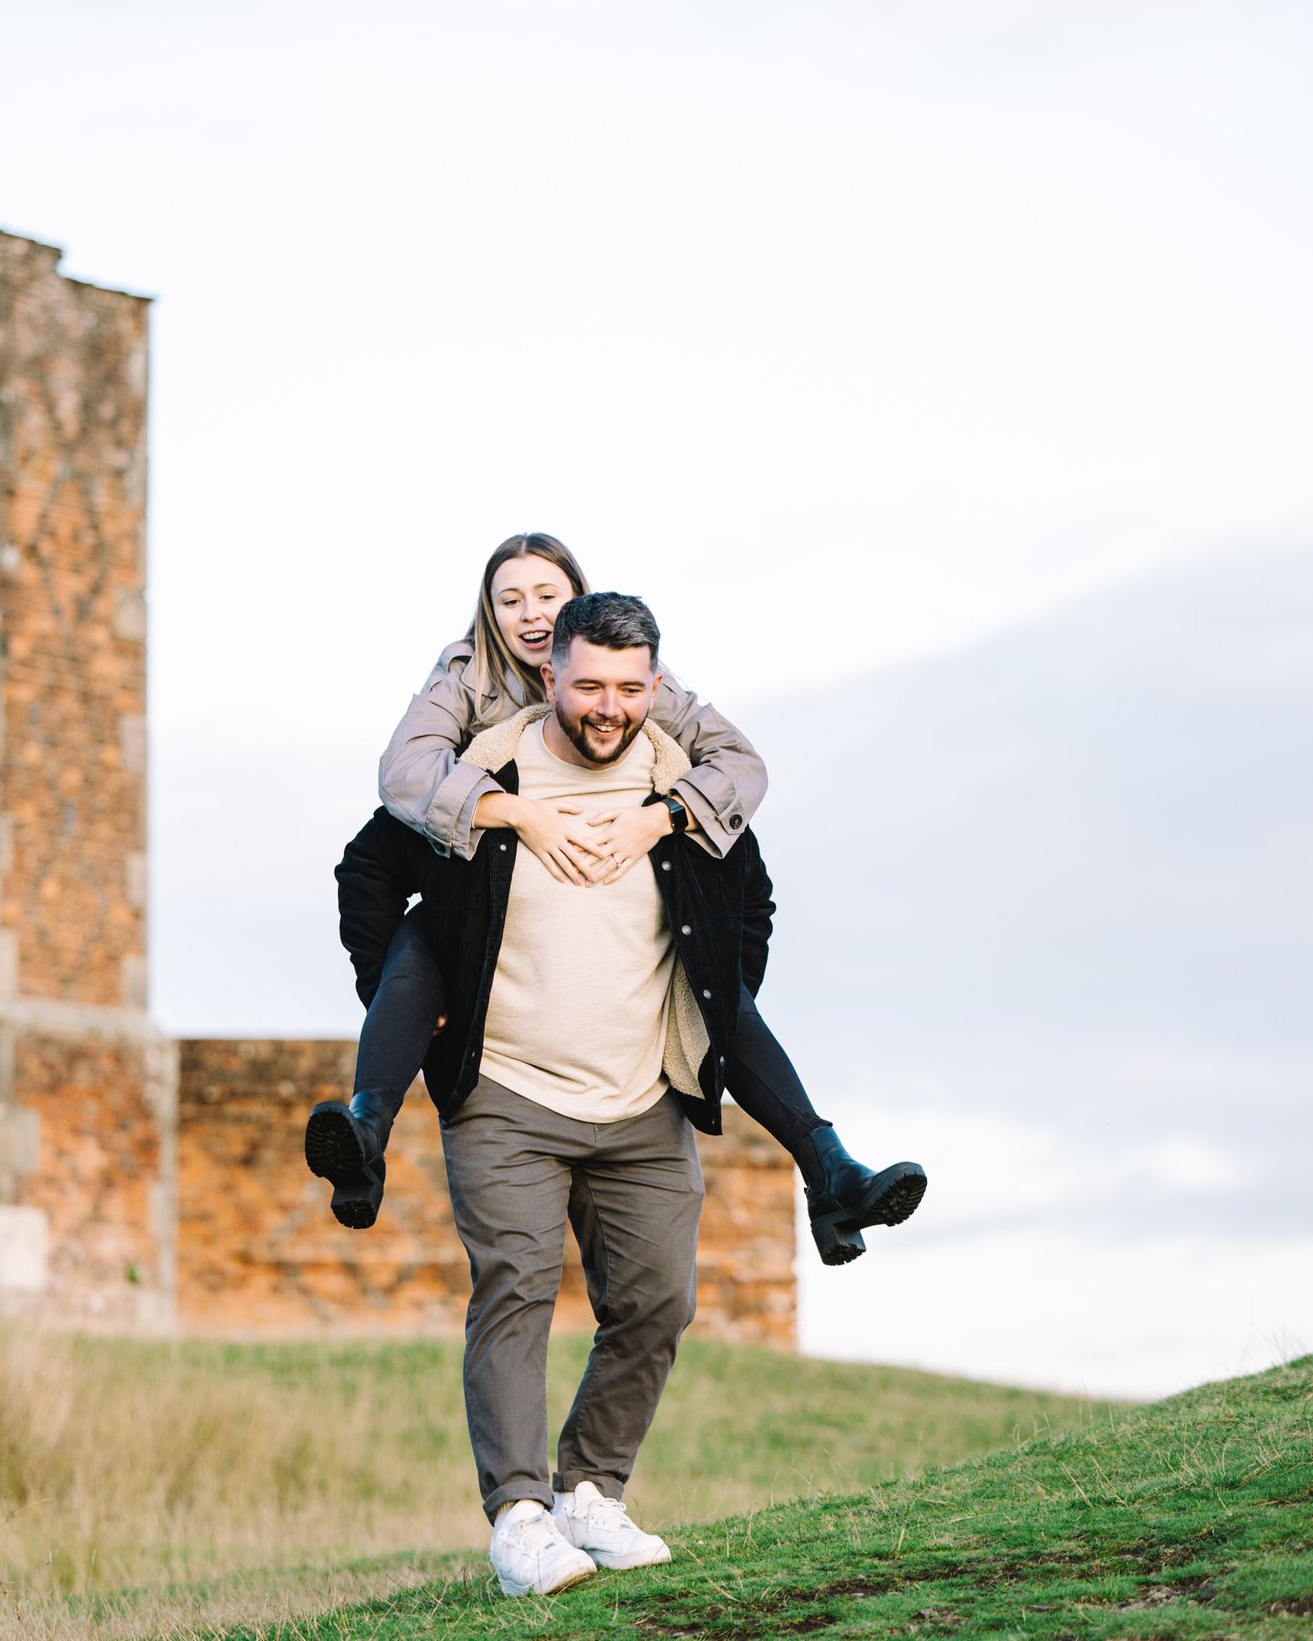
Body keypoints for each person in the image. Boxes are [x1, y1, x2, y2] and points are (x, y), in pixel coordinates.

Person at [307, 534, 925, 1265]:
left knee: (708, 978)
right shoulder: (466, 676)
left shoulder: (625, 677)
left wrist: (659, 819)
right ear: (491, 617)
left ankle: (832, 1171)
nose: (531, 614)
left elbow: (740, 771)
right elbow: (403, 777)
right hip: (468, 869)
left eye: (548, 596)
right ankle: (365, 1135)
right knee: (417, 944)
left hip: (626, 921)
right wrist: (521, 813)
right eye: (511, 600)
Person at [333, 591, 771, 1593]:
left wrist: (709, 1003)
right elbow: (371, 865)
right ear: (549, 675)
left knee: (660, 1300)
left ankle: (590, 1490)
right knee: (516, 1288)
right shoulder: (480, 778)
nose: (609, 707)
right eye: (589, 686)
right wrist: (400, 997)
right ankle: (520, 1516)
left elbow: (751, 898)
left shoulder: (680, 784)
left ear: (655, 685)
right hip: (506, 1092)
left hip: (642, 1098)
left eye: (629, 688)